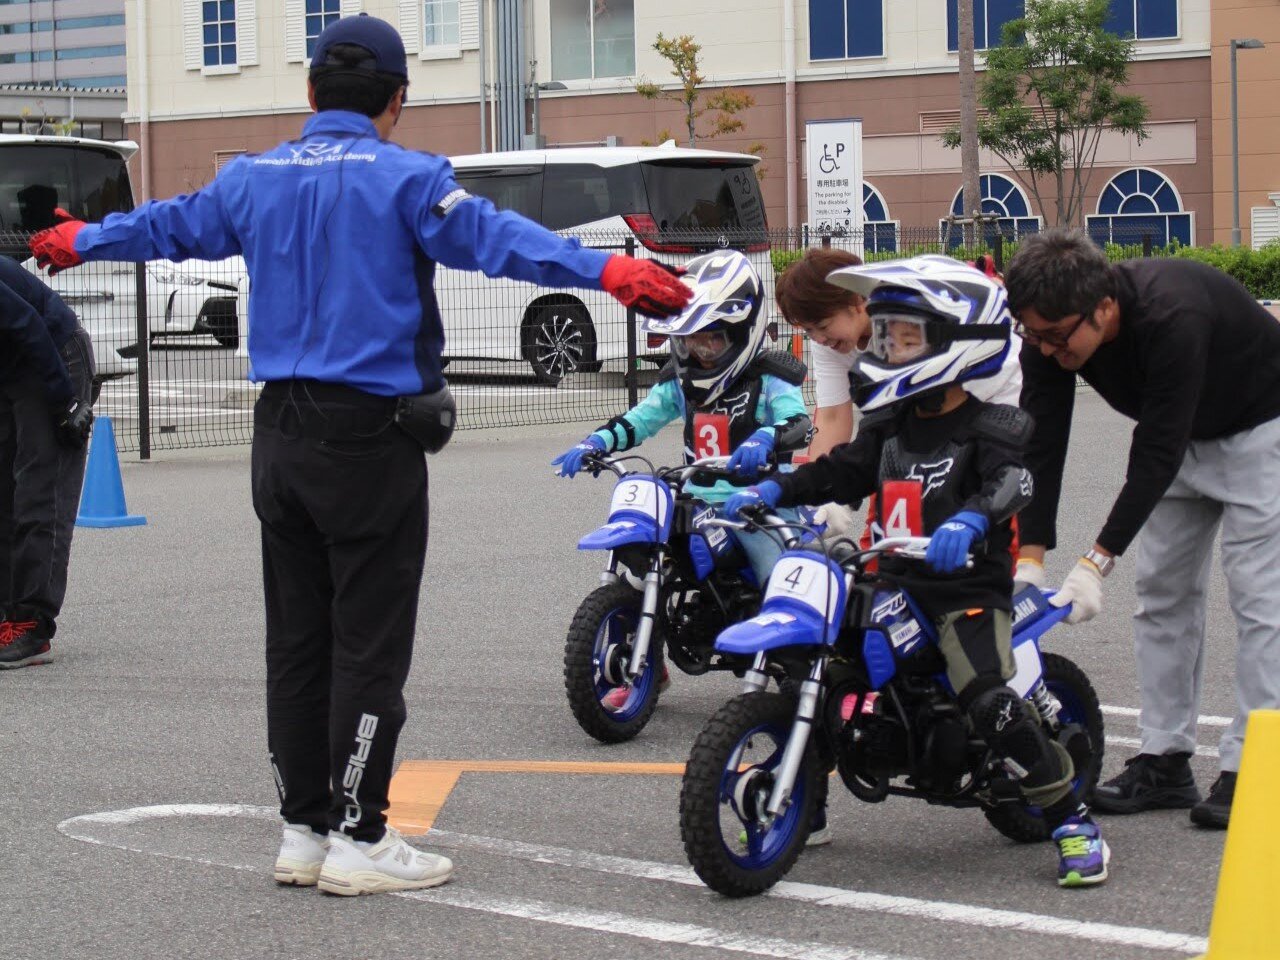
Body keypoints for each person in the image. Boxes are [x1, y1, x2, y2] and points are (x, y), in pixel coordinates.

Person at [28, 14, 691, 895]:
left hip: (277, 438)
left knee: (298, 642)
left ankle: (303, 830)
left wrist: (77, 239)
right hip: (369, 438)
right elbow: (498, 241)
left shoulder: (254, 178)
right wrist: (608, 272)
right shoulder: (407, 178)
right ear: (396, 101)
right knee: (368, 643)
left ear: (309, 96)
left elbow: (166, 226)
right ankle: (362, 836)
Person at [725, 261, 1110, 888]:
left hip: (966, 591)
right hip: (894, 579)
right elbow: (840, 470)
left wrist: (975, 521)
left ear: (957, 342)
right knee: (816, 672)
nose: (888, 350)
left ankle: (1072, 819)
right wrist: (775, 486)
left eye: (906, 339)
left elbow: (1016, 481)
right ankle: (803, 807)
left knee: (985, 699)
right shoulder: (890, 428)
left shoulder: (992, 425)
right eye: (887, 337)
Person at [1005, 227, 1280, 830]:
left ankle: (1256, 767)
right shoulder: (1049, 331)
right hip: (1181, 439)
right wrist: (1032, 555)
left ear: (1104, 308)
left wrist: (1096, 563)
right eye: (1034, 335)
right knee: (1161, 594)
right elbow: (1042, 440)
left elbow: (1156, 450)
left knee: (1261, 600)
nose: (1048, 350)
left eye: (1056, 336)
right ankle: (1164, 759)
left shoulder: (1172, 315)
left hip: (1263, 426)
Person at [552, 252, 811, 671]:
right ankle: (643, 653)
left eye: (713, 338)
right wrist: (597, 441)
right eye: (691, 338)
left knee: (775, 574)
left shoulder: (769, 377)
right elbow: (643, 418)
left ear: (742, 331)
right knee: (642, 553)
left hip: (759, 501)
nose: (701, 349)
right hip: (695, 499)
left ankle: (795, 665)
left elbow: (798, 421)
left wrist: (767, 436)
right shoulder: (681, 383)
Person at [775, 251, 1024, 539]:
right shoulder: (830, 341)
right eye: (808, 331)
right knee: (886, 534)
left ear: (856, 301)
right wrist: (820, 498)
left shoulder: (907, 319)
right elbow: (832, 417)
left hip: (990, 390)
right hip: (912, 419)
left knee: (975, 516)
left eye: (821, 326)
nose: (818, 339)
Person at [0, 258, 94, 669]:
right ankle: (7, 615)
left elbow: (28, 326)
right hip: (11, 368)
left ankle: (31, 624)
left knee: (41, 489)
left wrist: (65, 401)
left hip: (54, 356)